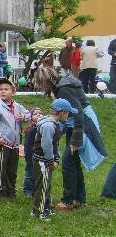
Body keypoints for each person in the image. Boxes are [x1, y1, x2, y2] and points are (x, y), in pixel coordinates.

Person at [36, 72, 107, 210]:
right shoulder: (60, 88)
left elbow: (78, 113)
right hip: (72, 124)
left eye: (41, 83)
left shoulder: (64, 89)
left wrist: (76, 140)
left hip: (82, 124)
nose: (41, 87)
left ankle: (68, 201)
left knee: (68, 161)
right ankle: (78, 198)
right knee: (73, 162)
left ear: (47, 81)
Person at [0, 78, 30, 199]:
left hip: (15, 144)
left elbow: (29, 114)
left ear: (13, 92)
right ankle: (1, 190)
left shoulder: (18, 106)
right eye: (1, 89)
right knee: (1, 167)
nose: (3, 91)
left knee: (12, 168)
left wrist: (24, 117)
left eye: (6, 89)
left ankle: (11, 190)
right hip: (2, 143)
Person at [31, 99, 75, 220]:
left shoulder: (53, 124)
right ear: (62, 113)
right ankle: (38, 212)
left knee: (46, 185)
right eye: (68, 113)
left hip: (46, 160)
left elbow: (54, 144)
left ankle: (45, 208)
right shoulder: (48, 125)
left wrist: (56, 158)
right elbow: (47, 145)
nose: (68, 116)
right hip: (43, 161)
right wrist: (51, 161)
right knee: (42, 187)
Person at [22, 107, 43, 198]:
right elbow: (27, 145)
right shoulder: (31, 129)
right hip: (31, 156)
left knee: (39, 174)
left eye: (40, 113)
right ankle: (28, 191)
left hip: (41, 155)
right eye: (35, 114)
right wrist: (28, 157)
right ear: (31, 118)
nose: (38, 115)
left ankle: (37, 190)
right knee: (30, 174)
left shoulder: (44, 127)